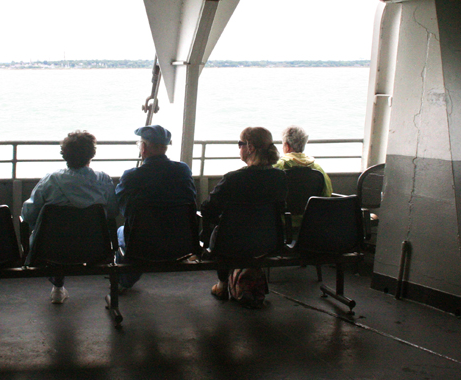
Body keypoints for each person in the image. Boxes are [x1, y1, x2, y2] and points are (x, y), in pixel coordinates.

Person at [21, 130, 116, 304]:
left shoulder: (51, 180)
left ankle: (58, 287)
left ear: (64, 155)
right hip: (93, 248)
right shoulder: (103, 180)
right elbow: (112, 212)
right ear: (91, 154)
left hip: (51, 249)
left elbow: (28, 214)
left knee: (56, 234)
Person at [200, 126, 287, 307]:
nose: (239, 148)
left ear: (250, 147)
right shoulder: (280, 177)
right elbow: (281, 207)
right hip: (268, 241)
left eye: (240, 144)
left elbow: (208, 209)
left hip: (231, 244)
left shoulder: (233, 179)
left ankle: (223, 283)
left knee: (220, 231)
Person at [114, 125, 197, 290]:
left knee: (121, 231)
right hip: (180, 244)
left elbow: (124, 210)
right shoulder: (183, 170)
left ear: (143, 148)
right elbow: (191, 199)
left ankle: (124, 281)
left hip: (143, 247)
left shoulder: (131, 176)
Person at [274, 125, 333, 196]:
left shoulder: (278, 166)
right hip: (311, 204)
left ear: (287, 146)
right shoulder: (317, 168)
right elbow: (327, 193)